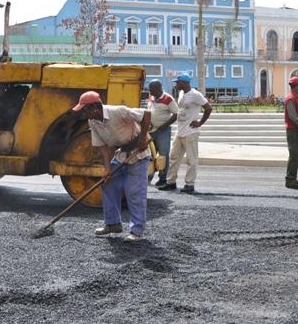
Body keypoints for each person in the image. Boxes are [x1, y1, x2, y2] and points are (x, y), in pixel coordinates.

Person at [71, 90, 151, 242]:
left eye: (85, 109)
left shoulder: (118, 112)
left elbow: (146, 114)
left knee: (134, 192)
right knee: (108, 184)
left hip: (138, 154)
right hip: (120, 155)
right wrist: (107, 169)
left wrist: (142, 139)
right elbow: (103, 147)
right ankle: (113, 224)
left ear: (95, 107)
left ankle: (136, 231)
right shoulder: (93, 122)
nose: (83, 113)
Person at [157, 73, 211, 194]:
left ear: (185, 83)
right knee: (173, 157)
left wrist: (200, 123)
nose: (176, 84)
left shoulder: (196, 94)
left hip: (191, 132)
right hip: (180, 131)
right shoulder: (181, 93)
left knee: (191, 160)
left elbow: (208, 108)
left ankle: (189, 184)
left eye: (178, 82)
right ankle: (171, 182)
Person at [146, 80, 178, 186]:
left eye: (151, 88)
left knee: (163, 155)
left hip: (162, 131)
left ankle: (163, 178)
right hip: (150, 131)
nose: (149, 90)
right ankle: (148, 176)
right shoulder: (151, 97)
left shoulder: (168, 98)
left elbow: (176, 114)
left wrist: (164, 126)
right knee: (149, 155)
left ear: (158, 88)